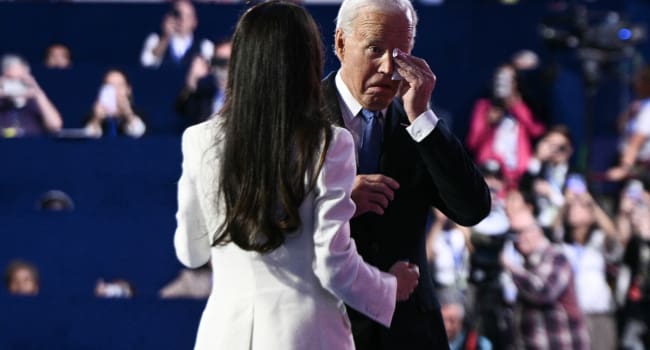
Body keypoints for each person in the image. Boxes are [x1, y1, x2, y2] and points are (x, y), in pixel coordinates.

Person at [173, 2, 419, 349]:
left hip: (222, 336)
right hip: (306, 336)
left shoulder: (198, 140)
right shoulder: (330, 143)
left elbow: (191, 253)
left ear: (241, 62)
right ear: (308, 63)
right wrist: (390, 288)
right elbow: (333, 264)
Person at [322, 0, 491, 348]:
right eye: (375, 49)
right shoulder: (298, 117)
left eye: (401, 54)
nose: (389, 68)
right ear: (340, 44)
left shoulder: (420, 123)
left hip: (410, 332)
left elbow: (472, 208)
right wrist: (336, 198)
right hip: (327, 327)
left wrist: (423, 119)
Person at [502, 206, 590, 349]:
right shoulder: (526, 266)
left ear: (538, 231)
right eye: (513, 234)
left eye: (522, 231)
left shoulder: (556, 256)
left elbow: (543, 291)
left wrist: (510, 267)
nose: (518, 239)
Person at [558, 186, 622, 350]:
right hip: (569, 315)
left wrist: (591, 203)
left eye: (581, 208)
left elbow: (613, 235)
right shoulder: (563, 245)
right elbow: (551, 230)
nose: (575, 210)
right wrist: (565, 204)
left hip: (598, 313)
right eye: (573, 208)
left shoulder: (598, 240)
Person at [467, 63, 546, 189]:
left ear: (516, 83)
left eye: (509, 80)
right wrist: (488, 123)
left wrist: (517, 106)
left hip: (517, 175)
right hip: (489, 172)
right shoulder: (484, 106)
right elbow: (473, 142)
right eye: (501, 79)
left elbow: (537, 132)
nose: (504, 84)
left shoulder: (525, 106)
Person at [0, 54, 63, 137]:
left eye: (20, 79)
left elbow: (55, 126)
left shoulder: (36, 100)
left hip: (32, 146)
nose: (15, 83)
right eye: (10, 78)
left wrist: (38, 93)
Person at [175, 38, 231, 128]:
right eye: (218, 62)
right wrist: (192, 81)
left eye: (229, 62)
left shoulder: (249, 99)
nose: (224, 69)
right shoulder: (204, 97)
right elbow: (181, 111)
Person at [140, 0, 213, 69]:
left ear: (194, 21)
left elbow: (209, 72)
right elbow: (147, 64)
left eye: (187, 16)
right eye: (178, 14)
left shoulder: (204, 45)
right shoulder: (155, 39)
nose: (181, 20)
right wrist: (166, 36)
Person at [607, 65, 650, 182]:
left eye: (639, 80)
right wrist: (629, 114)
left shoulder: (648, 110)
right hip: (632, 165)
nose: (634, 84)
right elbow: (618, 126)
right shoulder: (639, 106)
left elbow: (637, 141)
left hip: (641, 170)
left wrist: (624, 169)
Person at [84, 69, 146, 138]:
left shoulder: (139, 114)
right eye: (110, 86)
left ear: (128, 90)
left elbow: (140, 133)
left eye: (120, 86)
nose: (115, 91)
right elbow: (88, 135)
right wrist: (97, 119)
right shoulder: (92, 117)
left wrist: (129, 115)